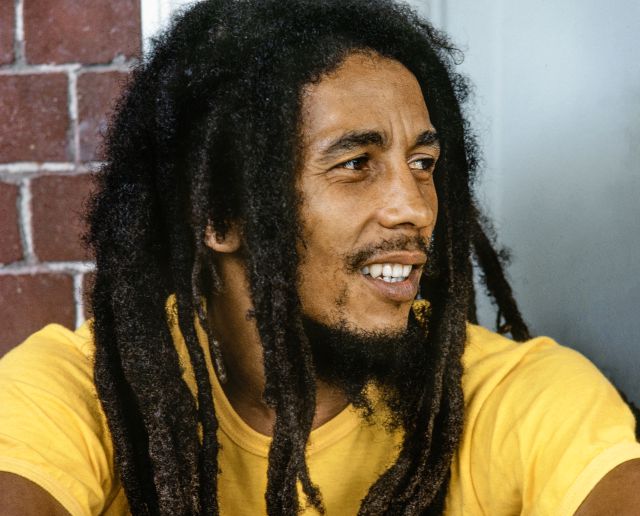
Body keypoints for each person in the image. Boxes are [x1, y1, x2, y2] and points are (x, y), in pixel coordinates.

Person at [1, 0, 639, 514]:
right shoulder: (79, 395)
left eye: (422, 163)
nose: (416, 207)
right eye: (356, 164)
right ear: (219, 215)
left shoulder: (518, 395)